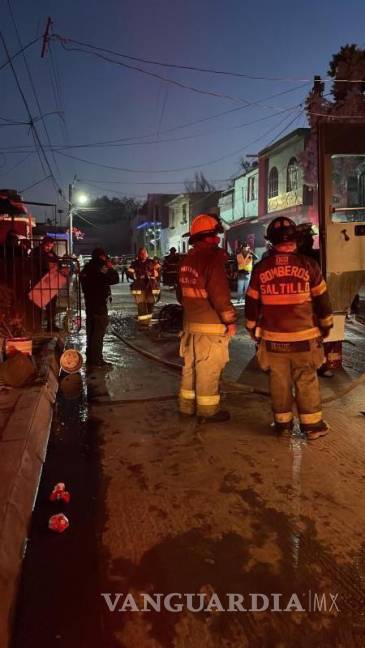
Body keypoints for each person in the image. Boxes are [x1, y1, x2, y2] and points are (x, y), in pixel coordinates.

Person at [245, 216, 333, 441]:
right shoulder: (310, 266)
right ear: (295, 240)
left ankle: (282, 426)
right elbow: (323, 302)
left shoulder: (260, 268)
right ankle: (312, 427)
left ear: (272, 242)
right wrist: (326, 326)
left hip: (273, 341)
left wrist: (252, 328)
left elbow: (252, 304)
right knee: (306, 379)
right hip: (305, 339)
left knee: (279, 381)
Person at [178, 213, 237, 423]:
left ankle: (186, 406)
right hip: (210, 327)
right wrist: (229, 321)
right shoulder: (212, 260)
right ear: (209, 237)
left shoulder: (187, 260)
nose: (218, 240)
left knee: (190, 367)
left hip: (190, 325)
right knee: (208, 369)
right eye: (216, 236)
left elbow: (180, 294)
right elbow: (220, 295)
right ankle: (208, 411)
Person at [80, 248, 119, 368]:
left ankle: (91, 357)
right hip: (99, 305)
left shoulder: (87, 267)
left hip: (90, 303)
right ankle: (97, 360)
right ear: (101, 257)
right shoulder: (100, 267)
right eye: (105, 257)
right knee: (98, 332)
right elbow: (114, 279)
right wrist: (111, 267)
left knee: (91, 331)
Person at [30, 236, 60, 331]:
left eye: (51, 246)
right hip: (39, 281)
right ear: (43, 244)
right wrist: (48, 263)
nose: (49, 248)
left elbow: (57, 262)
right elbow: (37, 263)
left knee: (51, 305)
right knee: (38, 305)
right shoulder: (36, 252)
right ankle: (36, 326)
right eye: (47, 246)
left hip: (50, 281)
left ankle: (51, 325)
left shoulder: (51, 253)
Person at [128, 248, 159, 326]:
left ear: (147, 254)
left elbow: (159, 271)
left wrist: (155, 274)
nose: (143, 254)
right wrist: (138, 276)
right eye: (141, 253)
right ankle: (143, 324)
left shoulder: (152, 262)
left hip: (151, 287)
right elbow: (129, 273)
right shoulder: (134, 263)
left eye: (144, 253)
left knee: (150, 304)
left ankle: (147, 321)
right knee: (141, 305)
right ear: (138, 254)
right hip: (139, 288)